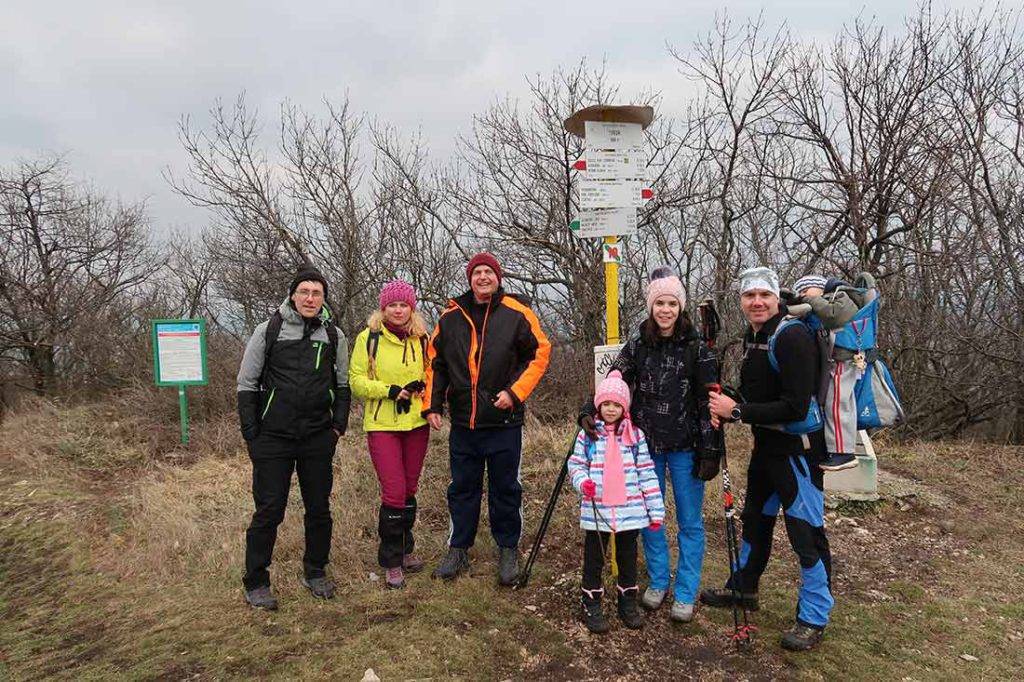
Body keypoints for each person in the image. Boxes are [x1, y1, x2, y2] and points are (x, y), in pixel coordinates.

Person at [579, 267, 721, 623]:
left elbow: (710, 400)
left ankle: (686, 591)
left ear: (681, 306)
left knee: (690, 521)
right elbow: (613, 379)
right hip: (644, 446)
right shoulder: (638, 345)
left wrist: (710, 447)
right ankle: (658, 581)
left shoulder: (697, 348)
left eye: (672, 303)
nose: (666, 310)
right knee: (648, 518)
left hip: (687, 445)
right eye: (660, 303)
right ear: (651, 306)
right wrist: (589, 407)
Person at [704, 266, 835, 651]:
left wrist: (738, 412)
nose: (757, 302)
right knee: (755, 522)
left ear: (777, 298)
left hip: (798, 453)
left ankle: (814, 616)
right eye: (749, 296)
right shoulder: (755, 336)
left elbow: (795, 407)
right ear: (741, 302)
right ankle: (744, 588)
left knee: (804, 533)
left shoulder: (792, 337)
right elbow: (755, 395)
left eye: (764, 295)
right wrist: (727, 400)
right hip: (767, 450)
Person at [422, 252, 551, 585]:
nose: (483, 278)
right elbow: (435, 363)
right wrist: (433, 405)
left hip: (504, 422)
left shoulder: (518, 314)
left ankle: (508, 549)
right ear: (470, 278)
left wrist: (514, 392)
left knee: (505, 488)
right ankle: (458, 548)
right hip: (464, 423)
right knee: (462, 488)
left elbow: (539, 354)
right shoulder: (451, 317)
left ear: (498, 277)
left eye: (488, 272)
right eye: (477, 272)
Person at [236, 265, 351, 610]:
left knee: (319, 508)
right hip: (273, 438)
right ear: (293, 295)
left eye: (317, 293)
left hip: (317, 436)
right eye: (304, 292)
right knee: (269, 510)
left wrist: (337, 428)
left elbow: (343, 386)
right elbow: (246, 385)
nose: (310, 298)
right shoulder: (268, 330)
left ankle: (315, 571)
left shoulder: (334, 336)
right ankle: (256, 581)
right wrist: (252, 434)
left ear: (323, 298)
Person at [349, 280, 431, 589]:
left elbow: (434, 375)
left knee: (409, 489)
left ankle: (406, 550)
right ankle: (391, 561)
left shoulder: (423, 339)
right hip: (383, 424)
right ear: (383, 309)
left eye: (404, 305)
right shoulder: (368, 339)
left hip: (416, 425)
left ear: (412, 309)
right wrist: (389, 391)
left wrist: (424, 392)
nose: (398, 310)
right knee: (394, 491)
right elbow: (356, 381)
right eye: (392, 305)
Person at [569, 371, 665, 633]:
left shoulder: (635, 437)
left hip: (629, 511)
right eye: (606, 404)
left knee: (627, 557)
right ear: (598, 405)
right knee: (594, 559)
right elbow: (576, 465)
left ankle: (628, 602)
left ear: (625, 407)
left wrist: (655, 511)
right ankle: (591, 602)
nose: (611, 409)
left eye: (616, 405)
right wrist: (583, 482)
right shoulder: (587, 435)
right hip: (597, 510)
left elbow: (647, 474)